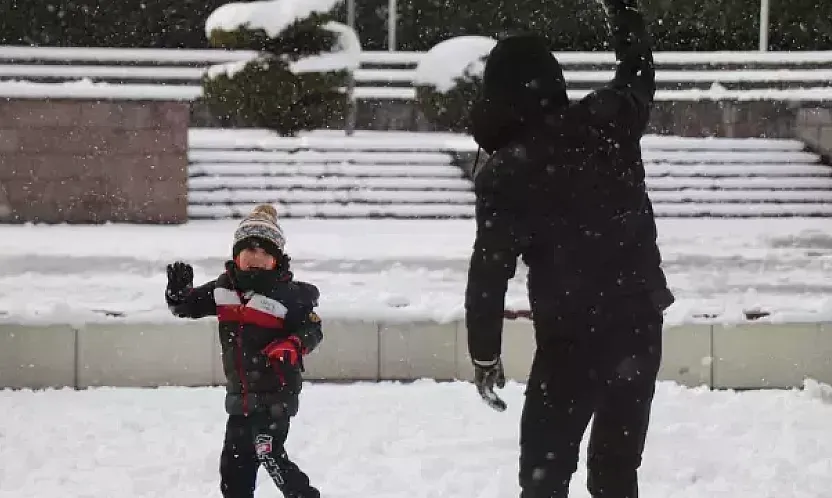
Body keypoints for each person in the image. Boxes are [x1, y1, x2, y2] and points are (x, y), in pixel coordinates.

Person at [464, 1, 675, 497]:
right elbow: (638, 69)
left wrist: (485, 351)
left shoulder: (507, 172)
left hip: (571, 339)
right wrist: (624, 12)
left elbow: (489, 272)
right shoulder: (611, 121)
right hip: (640, 323)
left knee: (544, 471)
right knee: (617, 468)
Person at [165, 204, 323, 498]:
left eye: (265, 252)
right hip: (240, 398)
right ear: (236, 255)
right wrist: (177, 292)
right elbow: (187, 306)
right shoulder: (224, 289)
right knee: (234, 470)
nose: (256, 258)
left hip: (276, 393)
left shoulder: (288, 295)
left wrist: (292, 344)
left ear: (277, 260)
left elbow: (312, 330)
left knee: (270, 453)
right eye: (249, 250)